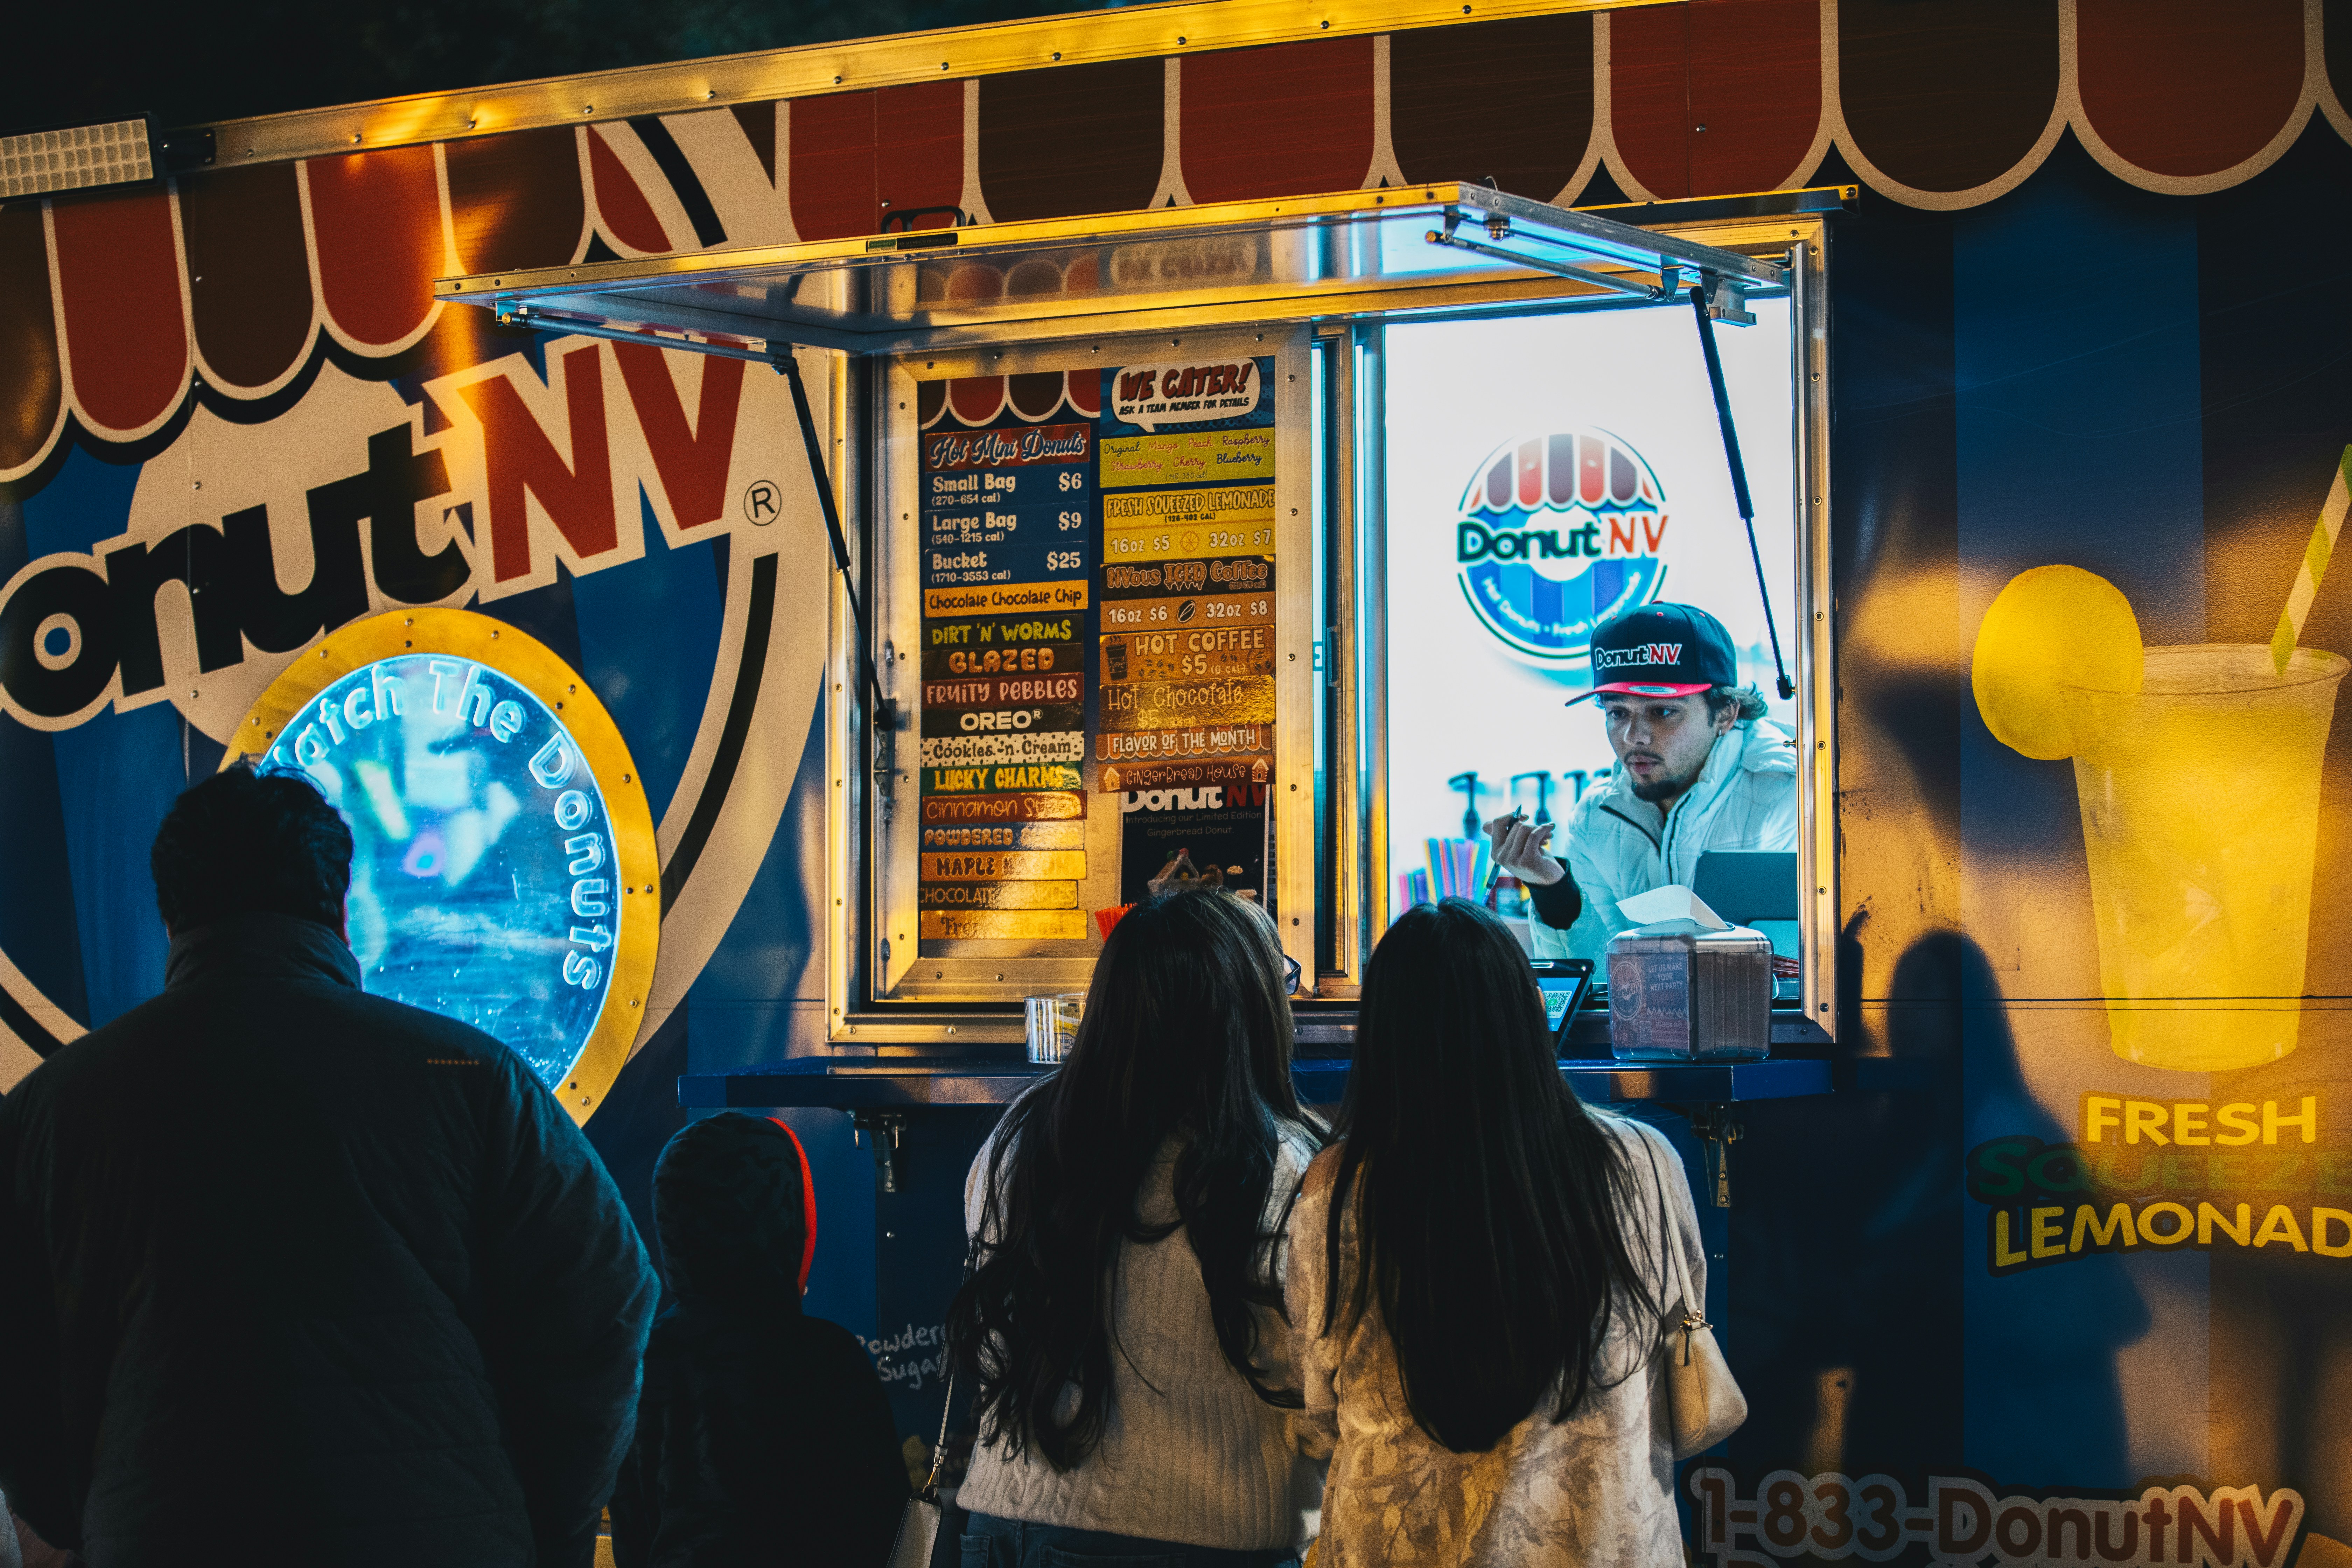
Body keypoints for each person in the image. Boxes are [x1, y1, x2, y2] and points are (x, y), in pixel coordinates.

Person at [0, 764, 659, 1568]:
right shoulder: (469, 1079)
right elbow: (610, 1301)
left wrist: (85, 1514)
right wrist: (530, 1520)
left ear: (170, 916)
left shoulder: (54, 1111)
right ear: (341, 909)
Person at [1289, 898, 1703, 1567]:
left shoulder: (1339, 1186)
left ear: (1384, 1032)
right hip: (1600, 1541)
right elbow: (1676, 1335)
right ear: (1528, 1013)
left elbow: (1318, 1400)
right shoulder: (1642, 1160)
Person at [946, 889, 1327, 1568]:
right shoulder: (1281, 1166)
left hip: (1001, 1522)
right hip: (1196, 1536)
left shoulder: (1023, 1135)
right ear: (1248, 1013)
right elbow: (1324, 1382)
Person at [608, 1112, 907, 1567]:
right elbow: (886, 1525)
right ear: (784, 1218)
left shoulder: (643, 1360)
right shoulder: (826, 1358)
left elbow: (632, 1531)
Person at [1486, 602, 1797, 961]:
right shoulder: (1595, 818)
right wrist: (1553, 889)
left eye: (1662, 711)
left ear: (1725, 713)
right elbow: (1601, 983)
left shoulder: (1794, 796)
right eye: (1617, 712)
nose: (1634, 736)